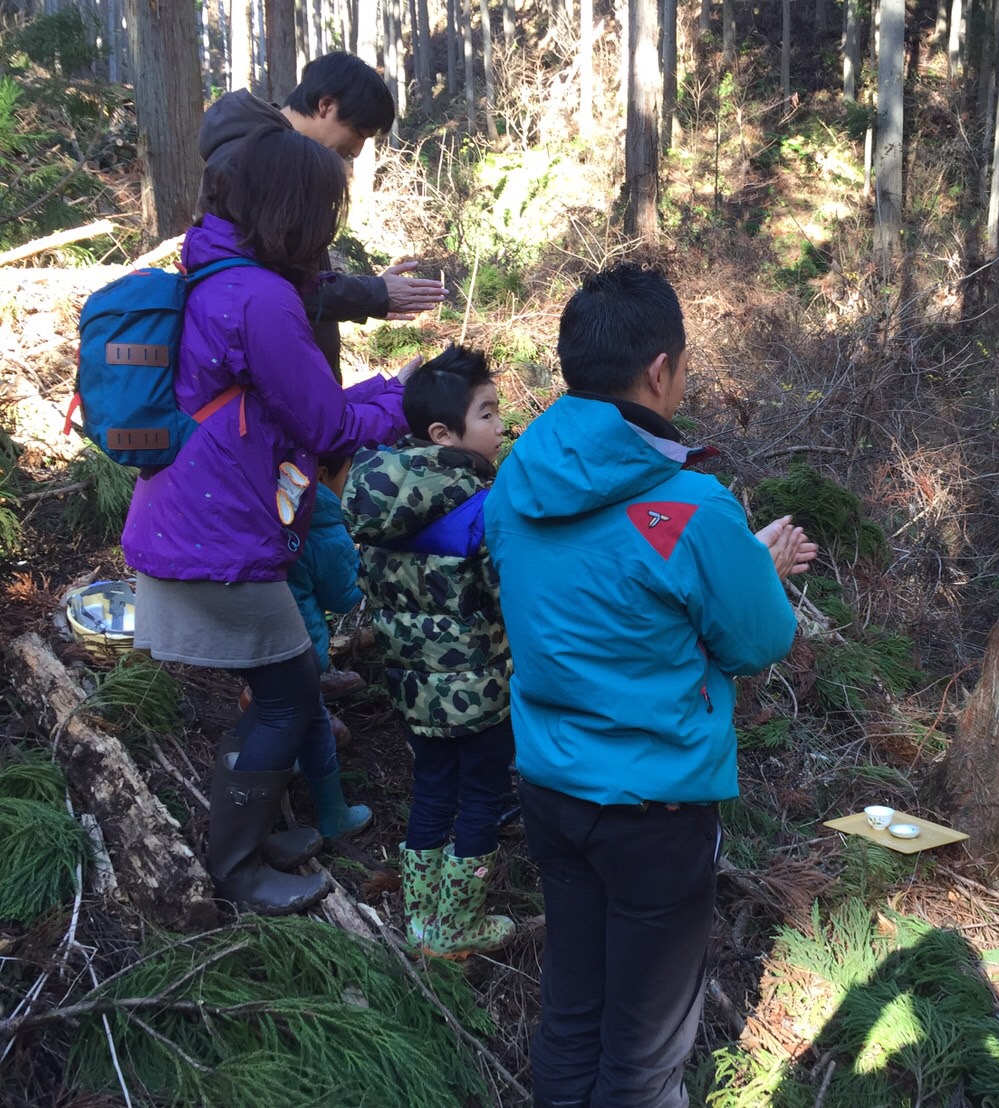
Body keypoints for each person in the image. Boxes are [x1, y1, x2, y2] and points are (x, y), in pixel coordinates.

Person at [485, 264, 817, 1107]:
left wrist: (739, 562)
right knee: (642, 1054)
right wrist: (759, 568)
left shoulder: (514, 482)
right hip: (655, 809)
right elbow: (757, 638)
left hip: (552, 787)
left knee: (572, 1011)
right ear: (661, 370)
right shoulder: (691, 507)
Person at [121, 125, 419, 917]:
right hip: (217, 537)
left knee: (280, 690)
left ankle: (251, 837)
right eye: (325, 206)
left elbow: (295, 414)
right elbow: (328, 428)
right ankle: (238, 867)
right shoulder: (259, 297)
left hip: (196, 516)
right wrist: (406, 398)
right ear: (292, 210)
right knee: (290, 695)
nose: (329, 224)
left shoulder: (216, 273)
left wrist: (388, 391)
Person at [342, 344, 517, 959]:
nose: (501, 426)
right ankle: (456, 927)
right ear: (444, 432)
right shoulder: (481, 511)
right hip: (479, 691)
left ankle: (420, 918)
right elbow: (509, 597)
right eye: (488, 414)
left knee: (434, 789)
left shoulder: (382, 504)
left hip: (413, 688)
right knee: (483, 798)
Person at [197, 51, 446, 379]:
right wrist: (376, 294)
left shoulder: (278, 156)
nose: (356, 151)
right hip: (266, 386)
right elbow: (281, 291)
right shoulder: (259, 162)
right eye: (359, 133)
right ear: (325, 106)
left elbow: (291, 278)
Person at [283, 455, 366, 744]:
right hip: (298, 642)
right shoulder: (325, 526)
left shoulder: (277, 503)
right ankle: (308, 718)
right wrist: (364, 566)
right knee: (292, 700)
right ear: (320, 475)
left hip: (256, 627)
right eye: (348, 474)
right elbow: (342, 597)